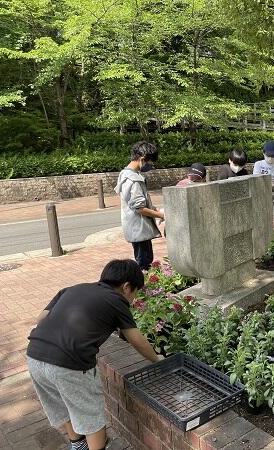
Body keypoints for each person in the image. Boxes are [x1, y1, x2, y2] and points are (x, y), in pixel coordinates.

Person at [26, 260, 161, 450]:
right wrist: (157, 359)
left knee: (62, 405)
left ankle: (78, 445)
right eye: (136, 293)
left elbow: (41, 318)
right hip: (70, 364)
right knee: (91, 415)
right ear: (127, 287)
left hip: (34, 356)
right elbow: (135, 339)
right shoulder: (117, 301)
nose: (134, 299)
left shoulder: (72, 289)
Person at [115, 141, 163, 271]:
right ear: (142, 159)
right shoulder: (133, 179)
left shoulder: (125, 174)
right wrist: (161, 215)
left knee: (144, 259)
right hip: (139, 228)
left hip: (136, 228)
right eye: (150, 162)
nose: (151, 165)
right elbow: (140, 208)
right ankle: (144, 288)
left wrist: (155, 209)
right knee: (144, 262)